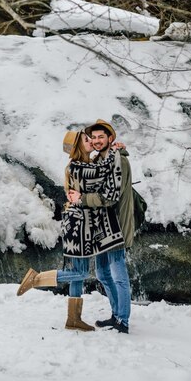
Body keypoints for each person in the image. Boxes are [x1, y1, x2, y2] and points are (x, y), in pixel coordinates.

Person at [16, 130, 124, 332]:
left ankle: (73, 319)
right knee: (80, 271)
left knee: (77, 273)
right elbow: (101, 174)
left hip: (80, 223)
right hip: (79, 224)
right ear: (77, 147)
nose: (91, 140)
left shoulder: (83, 165)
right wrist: (113, 152)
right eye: (86, 139)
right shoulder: (77, 166)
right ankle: (36, 279)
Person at [68, 119, 134, 334]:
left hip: (116, 226)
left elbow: (110, 197)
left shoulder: (119, 162)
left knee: (118, 274)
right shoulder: (101, 159)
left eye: (101, 137)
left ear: (110, 139)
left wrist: (82, 199)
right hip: (101, 227)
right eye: (93, 138)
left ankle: (122, 321)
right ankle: (116, 314)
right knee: (103, 274)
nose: (96, 141)